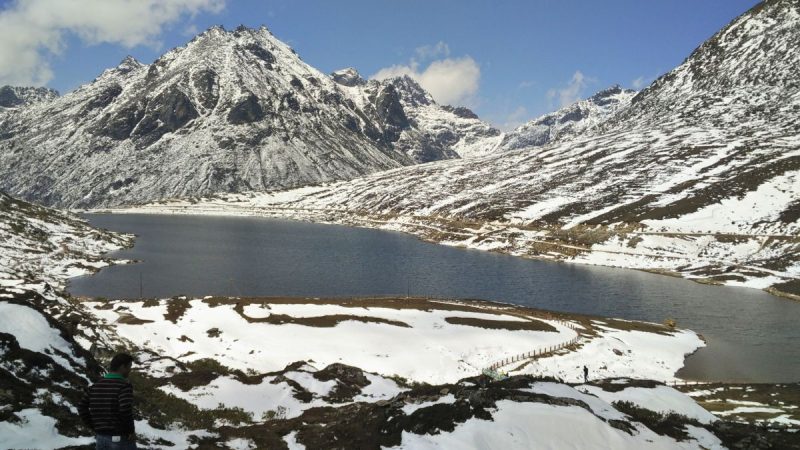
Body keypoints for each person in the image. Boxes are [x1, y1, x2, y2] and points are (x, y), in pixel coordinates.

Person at [78, 353, 137, 449]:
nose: (130, 370)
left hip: (100, 439)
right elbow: (125, 409)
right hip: (120, 439)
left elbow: (81, 406)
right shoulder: (124, 386)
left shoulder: (95, 386)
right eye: (129, 366)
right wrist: (131, 431)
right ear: (122, 367)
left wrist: (94, 426)